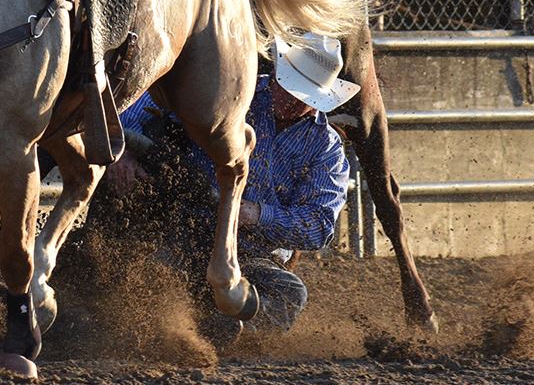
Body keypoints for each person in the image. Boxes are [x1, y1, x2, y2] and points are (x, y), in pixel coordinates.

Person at [113, 34, 356, 344]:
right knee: (154, 269)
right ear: (279, 72)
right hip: (187, 224)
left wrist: (257, 214)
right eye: (289, 88)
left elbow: (319, 226)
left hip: (250, 252)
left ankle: (224, 332)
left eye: (303, 97)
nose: (292, 101)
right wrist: (123, 152)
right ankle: (202, 325)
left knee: (290, 293)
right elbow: (140, 105)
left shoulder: (326, 149)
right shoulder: (232, 89)